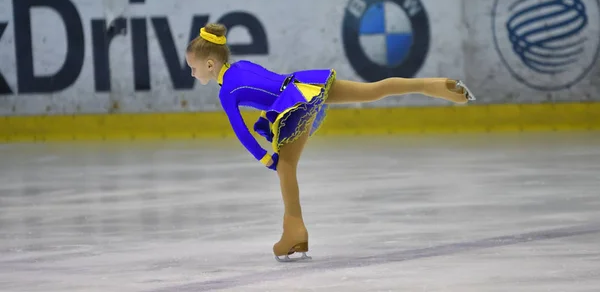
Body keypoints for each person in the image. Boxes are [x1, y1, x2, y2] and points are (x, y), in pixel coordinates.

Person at [185, 23, 475, 262]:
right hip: (306, 84)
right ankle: (431, 85)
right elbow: (267, 84)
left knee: (285, 166)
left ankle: (294, 232)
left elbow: (241, 132)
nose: (192, 73)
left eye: (193, 68)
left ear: (210, 64)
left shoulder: (226, 92)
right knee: (372, 90)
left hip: (294, 104)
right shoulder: (242, 66)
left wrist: (265, 158)